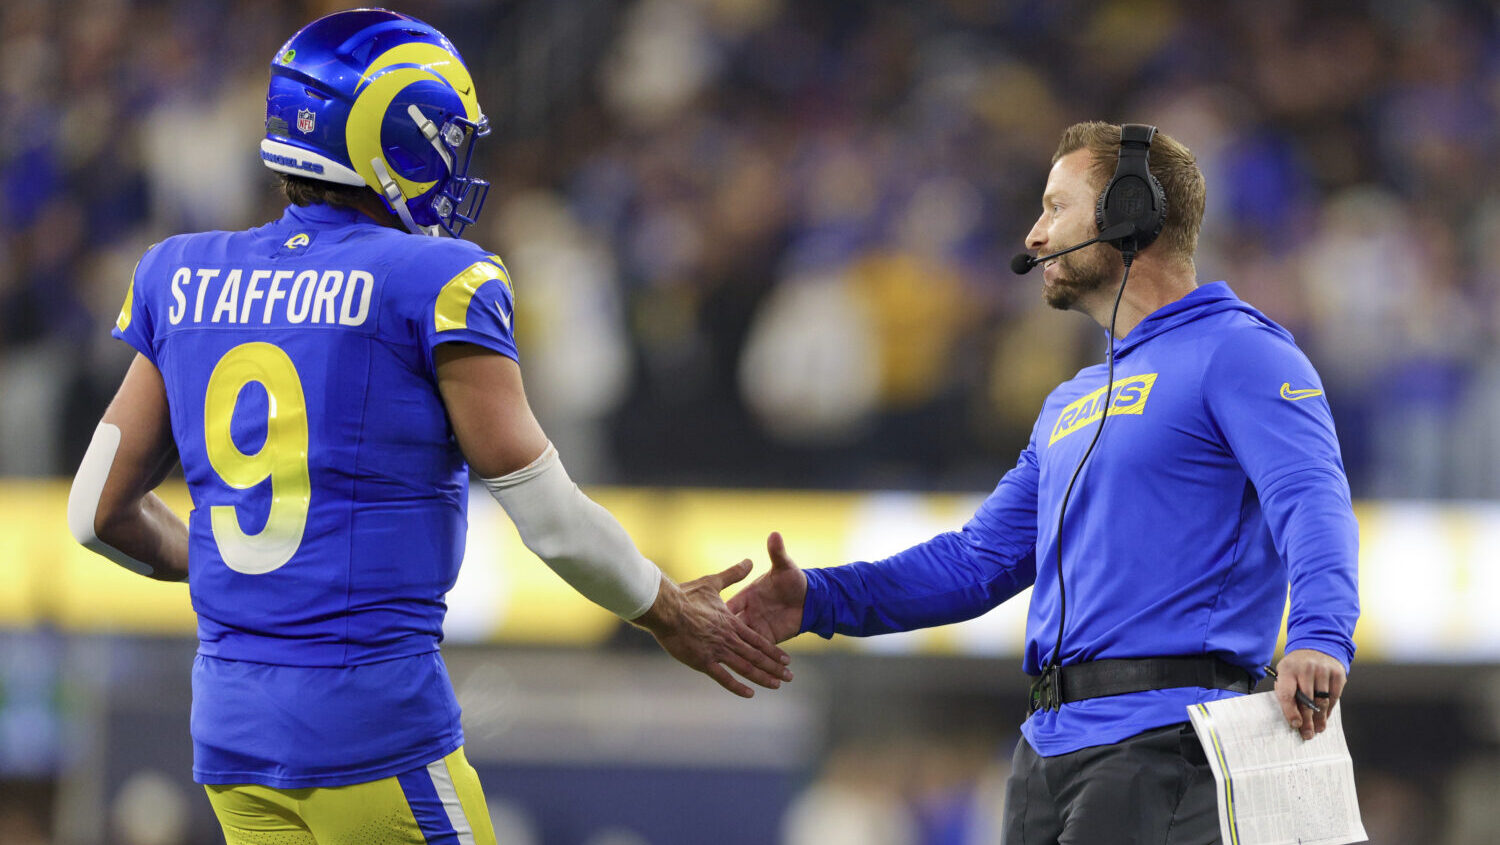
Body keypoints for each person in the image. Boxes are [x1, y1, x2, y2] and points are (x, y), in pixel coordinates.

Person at [65, 9, 791, 843]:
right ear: (388, 135)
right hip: (371, 729)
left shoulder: (180, 273)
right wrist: (666, 609)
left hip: (230, 732)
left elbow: (97, 511)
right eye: (442, 134)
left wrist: (247, 576)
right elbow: (550, 521)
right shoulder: (434, 279)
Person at [728, 121, 1359, 843]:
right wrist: (821, 597)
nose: (1033, 235)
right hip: (1046, 755)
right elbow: (977, 561)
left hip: (1174, 741)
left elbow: (1312, 498)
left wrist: (1319, 634)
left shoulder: (1240, 350)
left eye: (1055, 206)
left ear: (1130, 210)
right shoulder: (1070, 402)